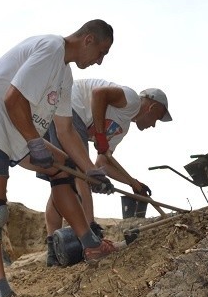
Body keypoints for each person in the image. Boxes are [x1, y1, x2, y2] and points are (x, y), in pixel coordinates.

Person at [0, 21, 117, 297]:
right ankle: (1, 290)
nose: (100, 62)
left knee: (62, 168)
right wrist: (33, 141)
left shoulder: (65, 74)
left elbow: (65, 131)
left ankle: (90, 243)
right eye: (101, 52)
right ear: (88, 39)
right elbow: (12, 99)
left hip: (16, 126)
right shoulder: (52, 48)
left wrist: (91, 171)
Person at [44, 81, 172, 265]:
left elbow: (103, 163)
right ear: (151, 107)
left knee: (60, 181)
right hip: (71, 109)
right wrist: (101, 135)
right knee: (83, 173)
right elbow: (99, 94)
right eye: (157, 119)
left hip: (58, 118)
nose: (153, 126)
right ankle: (91, 233)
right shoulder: (132, 99)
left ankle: (52, 252)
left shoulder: (122, 127)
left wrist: (133, 183)